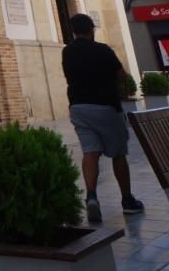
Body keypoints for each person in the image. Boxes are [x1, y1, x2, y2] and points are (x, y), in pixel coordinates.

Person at [62, 13, 143, 223]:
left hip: (79, 108)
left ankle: (91, 197)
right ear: (91, 30)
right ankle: (127, 200)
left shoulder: (67, 52)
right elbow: (122, 76)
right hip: (105, 107)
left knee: (90, 153)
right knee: (118, 154)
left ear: (73, 31)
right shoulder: (103, 50)